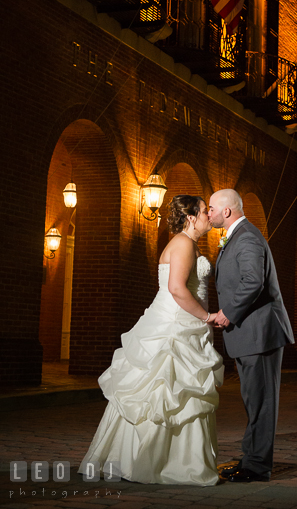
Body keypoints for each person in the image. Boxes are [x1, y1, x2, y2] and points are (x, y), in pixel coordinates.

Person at [78, 195, 224, 485]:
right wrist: (206, 317)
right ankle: (155, 462)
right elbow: (177, 289)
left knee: (176, 394)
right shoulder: (183, 243)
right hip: (173, 326)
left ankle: (174, 460)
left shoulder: (189, 244)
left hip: (181, 323)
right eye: (205, 211)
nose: (210, 215)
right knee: (165, 392)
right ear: (192, 217)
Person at [208, 189, 294, 483]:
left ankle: (257, 467)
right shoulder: (239, 235)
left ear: (227, 212)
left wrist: (228, 312)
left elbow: (253, 281)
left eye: (211, 209)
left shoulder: (246, 237)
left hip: (259, 334)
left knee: (262, 402)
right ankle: (250, 459)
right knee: (254, 401)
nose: (208, 213)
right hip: (249, 335)